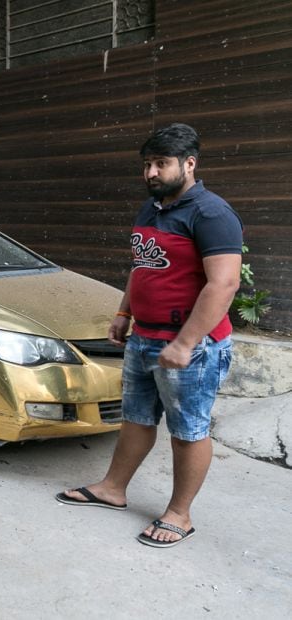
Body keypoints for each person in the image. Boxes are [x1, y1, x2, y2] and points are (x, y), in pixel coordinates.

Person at [55, 123, 242, 548]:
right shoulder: (152, 209)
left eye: (162, 164)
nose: (152, 173)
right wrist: (124, 312)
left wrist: (186, 342)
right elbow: (144, 266)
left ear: (189, 164)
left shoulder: (211, 214)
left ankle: (179, 513)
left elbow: (224, 285)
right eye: (147, 165)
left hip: (188, 347)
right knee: (137, 419)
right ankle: (112, 488)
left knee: (188, 429)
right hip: (144, 337)